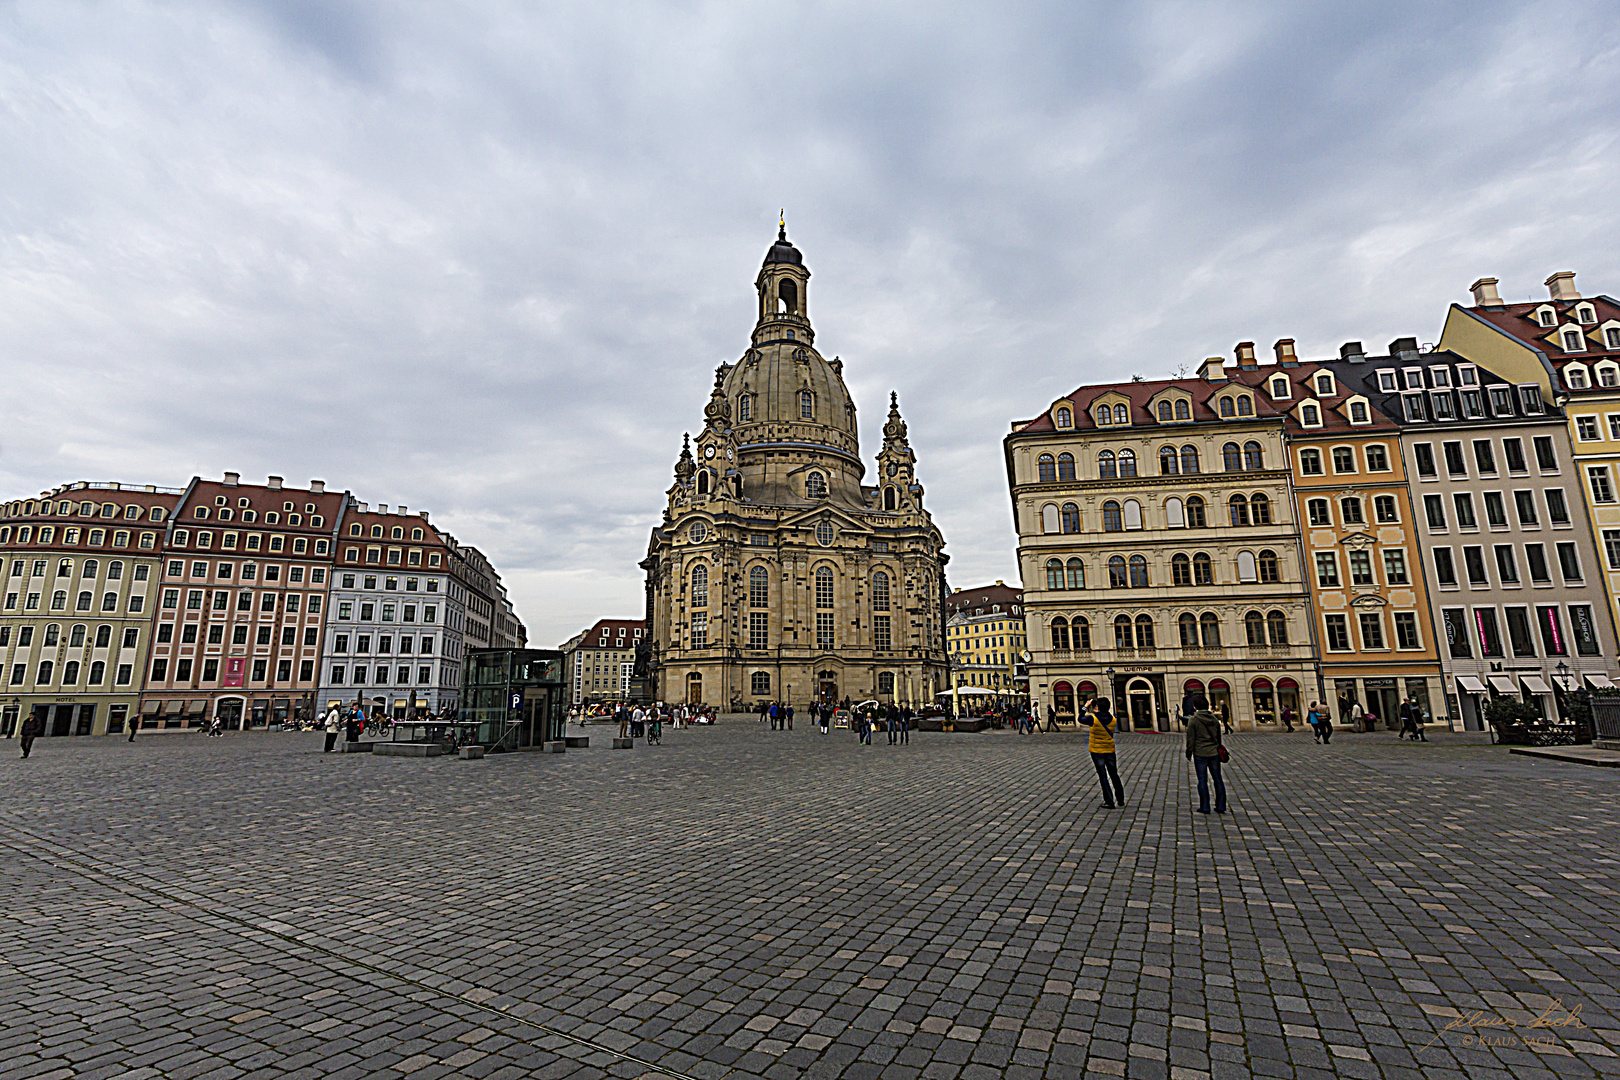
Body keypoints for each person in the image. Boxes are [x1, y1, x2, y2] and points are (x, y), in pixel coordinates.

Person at [1184, 693, 1227, 815]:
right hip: (1214, 752)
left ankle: (1205, 806)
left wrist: (1189, 753)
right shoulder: (1214, 719)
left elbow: (1190, 739)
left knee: (1202, 780)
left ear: (1195, 706)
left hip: (1200, 753)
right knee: (1218, 779)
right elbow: (1218, 738)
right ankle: (1221, 805)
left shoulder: (1193, 720)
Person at [1087, 697, 1125, 810]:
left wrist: (1086, 705)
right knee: (1114, 774)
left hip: (1097, 751)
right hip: (1110, 750)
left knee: (1103, 776)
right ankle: (1121, 799)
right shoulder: (1113, 719)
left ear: (1097, 708)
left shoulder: (1093, 719)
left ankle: (1109, 801)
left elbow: (1080, 718)